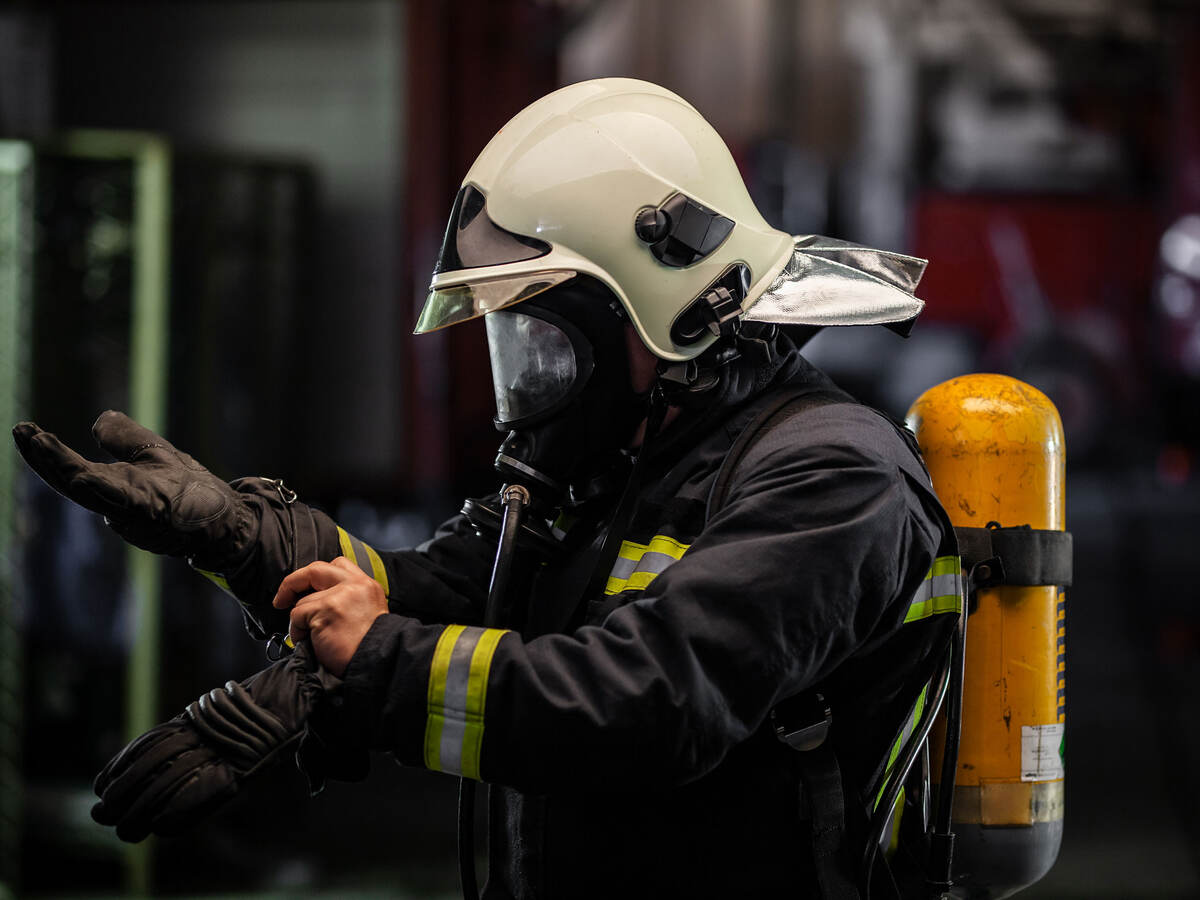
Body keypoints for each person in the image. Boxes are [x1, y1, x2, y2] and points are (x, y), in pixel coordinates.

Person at [14, 79, 961, 898]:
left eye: (544, 337)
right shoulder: (619, 462)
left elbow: (650, 705)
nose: (527, 381)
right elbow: (434, 594)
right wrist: (238, 536)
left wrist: (374, 666)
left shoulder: (834, 475)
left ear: (661, 307)